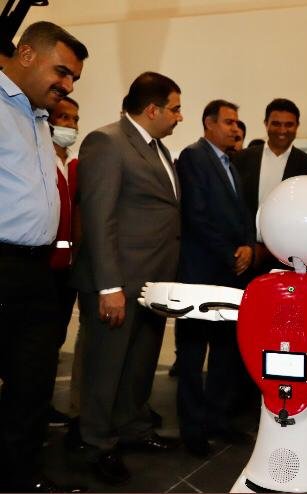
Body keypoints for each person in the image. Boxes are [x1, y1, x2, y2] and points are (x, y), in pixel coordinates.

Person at [71, 71, 183, 485]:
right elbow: (99, 219)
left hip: (152, 284)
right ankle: (97, 443)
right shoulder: (107, 143)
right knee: (106, 370)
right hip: (118, 283)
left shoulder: (159, 149)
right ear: (152, 109)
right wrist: (110, 286)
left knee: (138, 366)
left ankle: (132, 427)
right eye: (175, 109)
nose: (180, 116)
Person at [0, 21, 87, 492]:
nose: (67, 85)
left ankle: (21, 477)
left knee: (32, 383)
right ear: (27, 54)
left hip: (36, 271)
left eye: (73, 78)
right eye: (62, 71)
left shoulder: (37, 117)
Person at [175, 99, 252, 457]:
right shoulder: (194, 157)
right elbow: (196, 216)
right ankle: (192, 429)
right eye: (229, 122)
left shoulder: (230, 163)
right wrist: (230, 253)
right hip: (200, 273)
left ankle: (218, 420)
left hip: (230, 274)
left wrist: (248, 246)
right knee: (192, 357)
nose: (236, 129)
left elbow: (243, 214)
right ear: (209, 123)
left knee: (225, 351)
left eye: (237, 123)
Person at [233, 98, 307, 272]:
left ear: (297, 126)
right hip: (246, 254)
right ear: (266, 124)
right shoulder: (241, 159)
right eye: (276, 124)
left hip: (291, 258)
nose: (282, 130)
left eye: (289, 125)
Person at [48, 95, 82, 428]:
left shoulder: (75, 166)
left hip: (67, 268)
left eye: (74, 119)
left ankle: (42, 402)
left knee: (55, 338)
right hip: (41, 266)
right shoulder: (41, 159)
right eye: (63, 118)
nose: (70, 125)